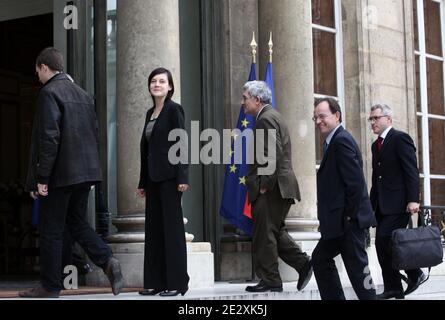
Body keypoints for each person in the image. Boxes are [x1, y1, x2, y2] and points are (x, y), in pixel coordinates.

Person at [20, 47, 123, 298]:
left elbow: (49, 138)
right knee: (76, 223)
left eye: (37, 72)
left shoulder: (49, 93)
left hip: (60, 175)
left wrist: (42, 178)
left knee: (51, 229)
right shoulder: (83, 94)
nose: (38, 77)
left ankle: (50, 286)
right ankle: (108, 260)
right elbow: (94, 134)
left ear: (45, 67)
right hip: (85, 173)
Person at [243, 81, 312, 293]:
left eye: (245, 98)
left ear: (257, 99)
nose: (243, 103)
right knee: (274, 231)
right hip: (278, 186)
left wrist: (264, 185)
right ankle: (303, 264)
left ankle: (271, 279)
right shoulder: (271, 116)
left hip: (272, 187)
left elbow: (272, 153)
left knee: (265, 233)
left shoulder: (266, 118)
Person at [312, 98, 376, 300]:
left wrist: (349, 219)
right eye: (315, 117)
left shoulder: (341, 141)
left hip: (348, 224)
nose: (318, 121)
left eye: (322, 116)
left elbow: (356, 184)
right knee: (320, 259)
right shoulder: (332, 142)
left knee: (360, 274)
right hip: (337, 225)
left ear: (336, 115)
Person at [137, 67, 189, 297]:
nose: (157, 84)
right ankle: (157, 282)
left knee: (172, 232)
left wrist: (183, 177)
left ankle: (177, 284)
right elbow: (146, 150)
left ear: (169, 87)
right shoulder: (150, 113)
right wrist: (142, 181)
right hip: (152, 180)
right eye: (153, 81)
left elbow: (181, 144)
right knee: (154, 231)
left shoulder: (174, 110)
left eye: (161, 81)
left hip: (170, 179)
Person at [369, 103, 426, 299]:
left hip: (400, 204)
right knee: (380, 244)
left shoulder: (400, 138)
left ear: (388, 119)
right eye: (371, 119)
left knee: (387, 239)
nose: (373, 122)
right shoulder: (375, 145)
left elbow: (411, 170)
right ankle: (393, 287)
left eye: (376, 118)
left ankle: (414, 272)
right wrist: (369, 207)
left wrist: (413, 199)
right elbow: (376, 180)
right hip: (382, 206)